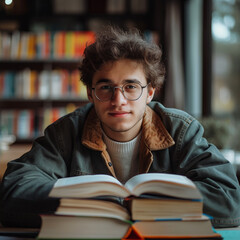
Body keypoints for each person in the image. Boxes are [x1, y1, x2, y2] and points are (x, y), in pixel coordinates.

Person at [0, 26, 240, 228]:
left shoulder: (180, 130)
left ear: (150, 92)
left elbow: (227, 198)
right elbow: (14, 190)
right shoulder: (66, 132)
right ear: (90, 93)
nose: (118, 100)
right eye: (106, 87)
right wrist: (96, 204)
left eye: (131, 87)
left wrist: (142, 204)